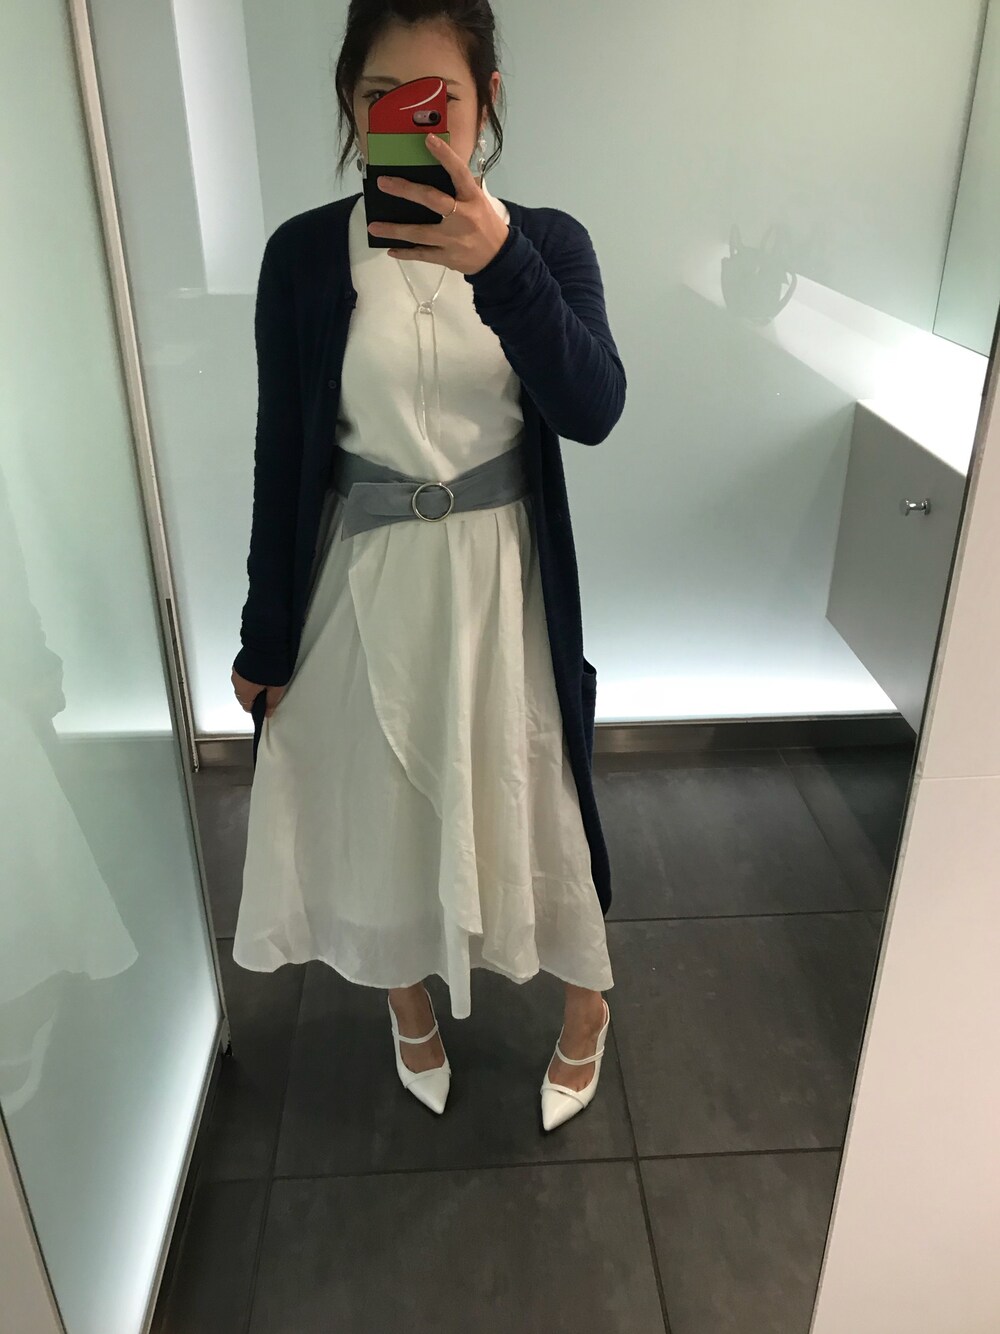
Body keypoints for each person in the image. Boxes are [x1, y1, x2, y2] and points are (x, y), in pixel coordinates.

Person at [230, 0, 625, 1132]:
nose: (405, 122)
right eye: (379, 99)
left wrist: (500, 264)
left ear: (484, 101)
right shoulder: (303, 256)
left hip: (504, 586)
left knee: (535, 800)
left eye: (433, 101)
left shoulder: (546, 243)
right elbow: (282, 452)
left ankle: (587, 1003)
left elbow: (593, 407)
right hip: (361, 578)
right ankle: (406, 1003)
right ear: (351, 107)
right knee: (379, 806)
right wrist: (263, 636)